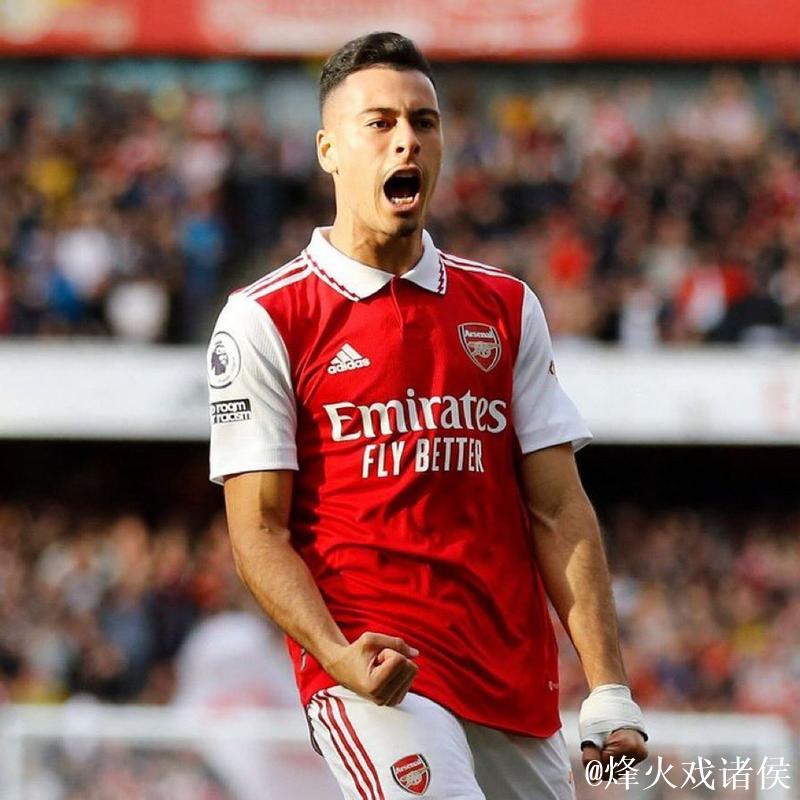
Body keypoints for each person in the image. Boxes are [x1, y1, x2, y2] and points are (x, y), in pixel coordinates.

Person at [208, 32, 647, 800]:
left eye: (424, 121)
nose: (406, 138)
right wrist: (335, 654)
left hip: (511, 678)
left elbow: (558, 508)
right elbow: (259, 532)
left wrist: (608, 686)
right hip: (376, 674)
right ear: (328, 150)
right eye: (379, 122)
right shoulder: (265, 318)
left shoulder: (505, 306)